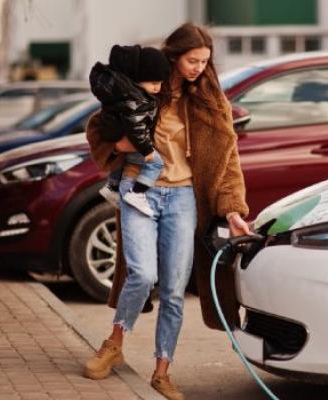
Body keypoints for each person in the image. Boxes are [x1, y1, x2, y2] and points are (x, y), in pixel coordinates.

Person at [83, 23, 252, 400]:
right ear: (173, 57)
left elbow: (228, 163)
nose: (198, 68)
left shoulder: (210, 102)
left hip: (182, 198)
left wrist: (233, 210)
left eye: (204, 62)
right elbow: (97, 127)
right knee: (141, 275)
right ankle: (114, 343)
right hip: (138, 190)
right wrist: (120, 144)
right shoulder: (142, 86)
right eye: (192, 60)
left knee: (174, 290)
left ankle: (162, 371)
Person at [91, 45, 169, 217]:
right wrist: (147, 149)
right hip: (134, 143)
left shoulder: (125, 94)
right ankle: (138, 193)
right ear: (138, 80)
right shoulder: (137, 100)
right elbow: (136, 127)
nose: (158, 88)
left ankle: (112, 186)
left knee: (122, 160)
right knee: (156, 163)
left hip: (117, 135)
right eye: (154, 83)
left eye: (161, 83)